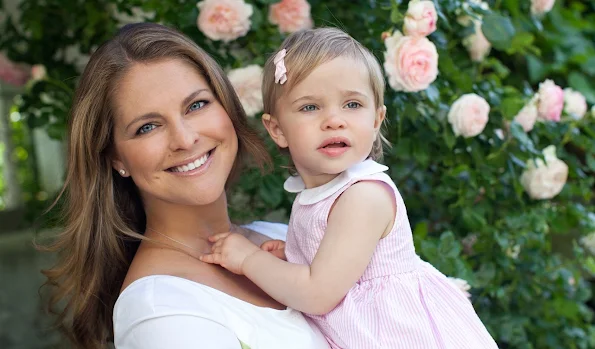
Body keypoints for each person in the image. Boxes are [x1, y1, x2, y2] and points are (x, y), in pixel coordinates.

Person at [200, 27, 500, 349]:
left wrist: (249, 260)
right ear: (277, 129)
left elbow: (317, 294)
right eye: (310, 107)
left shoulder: (363, 196)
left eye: (352, 105)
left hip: (400, 336)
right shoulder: (319, 192)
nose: (334, 120)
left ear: (376, 120)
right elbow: (338, 267)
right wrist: (297, 257)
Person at [41, 23, 330, 349]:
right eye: (147, 127)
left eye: (196, 105)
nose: (185, 139)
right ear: (115, 158)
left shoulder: (284, 237)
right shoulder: (159, 311)